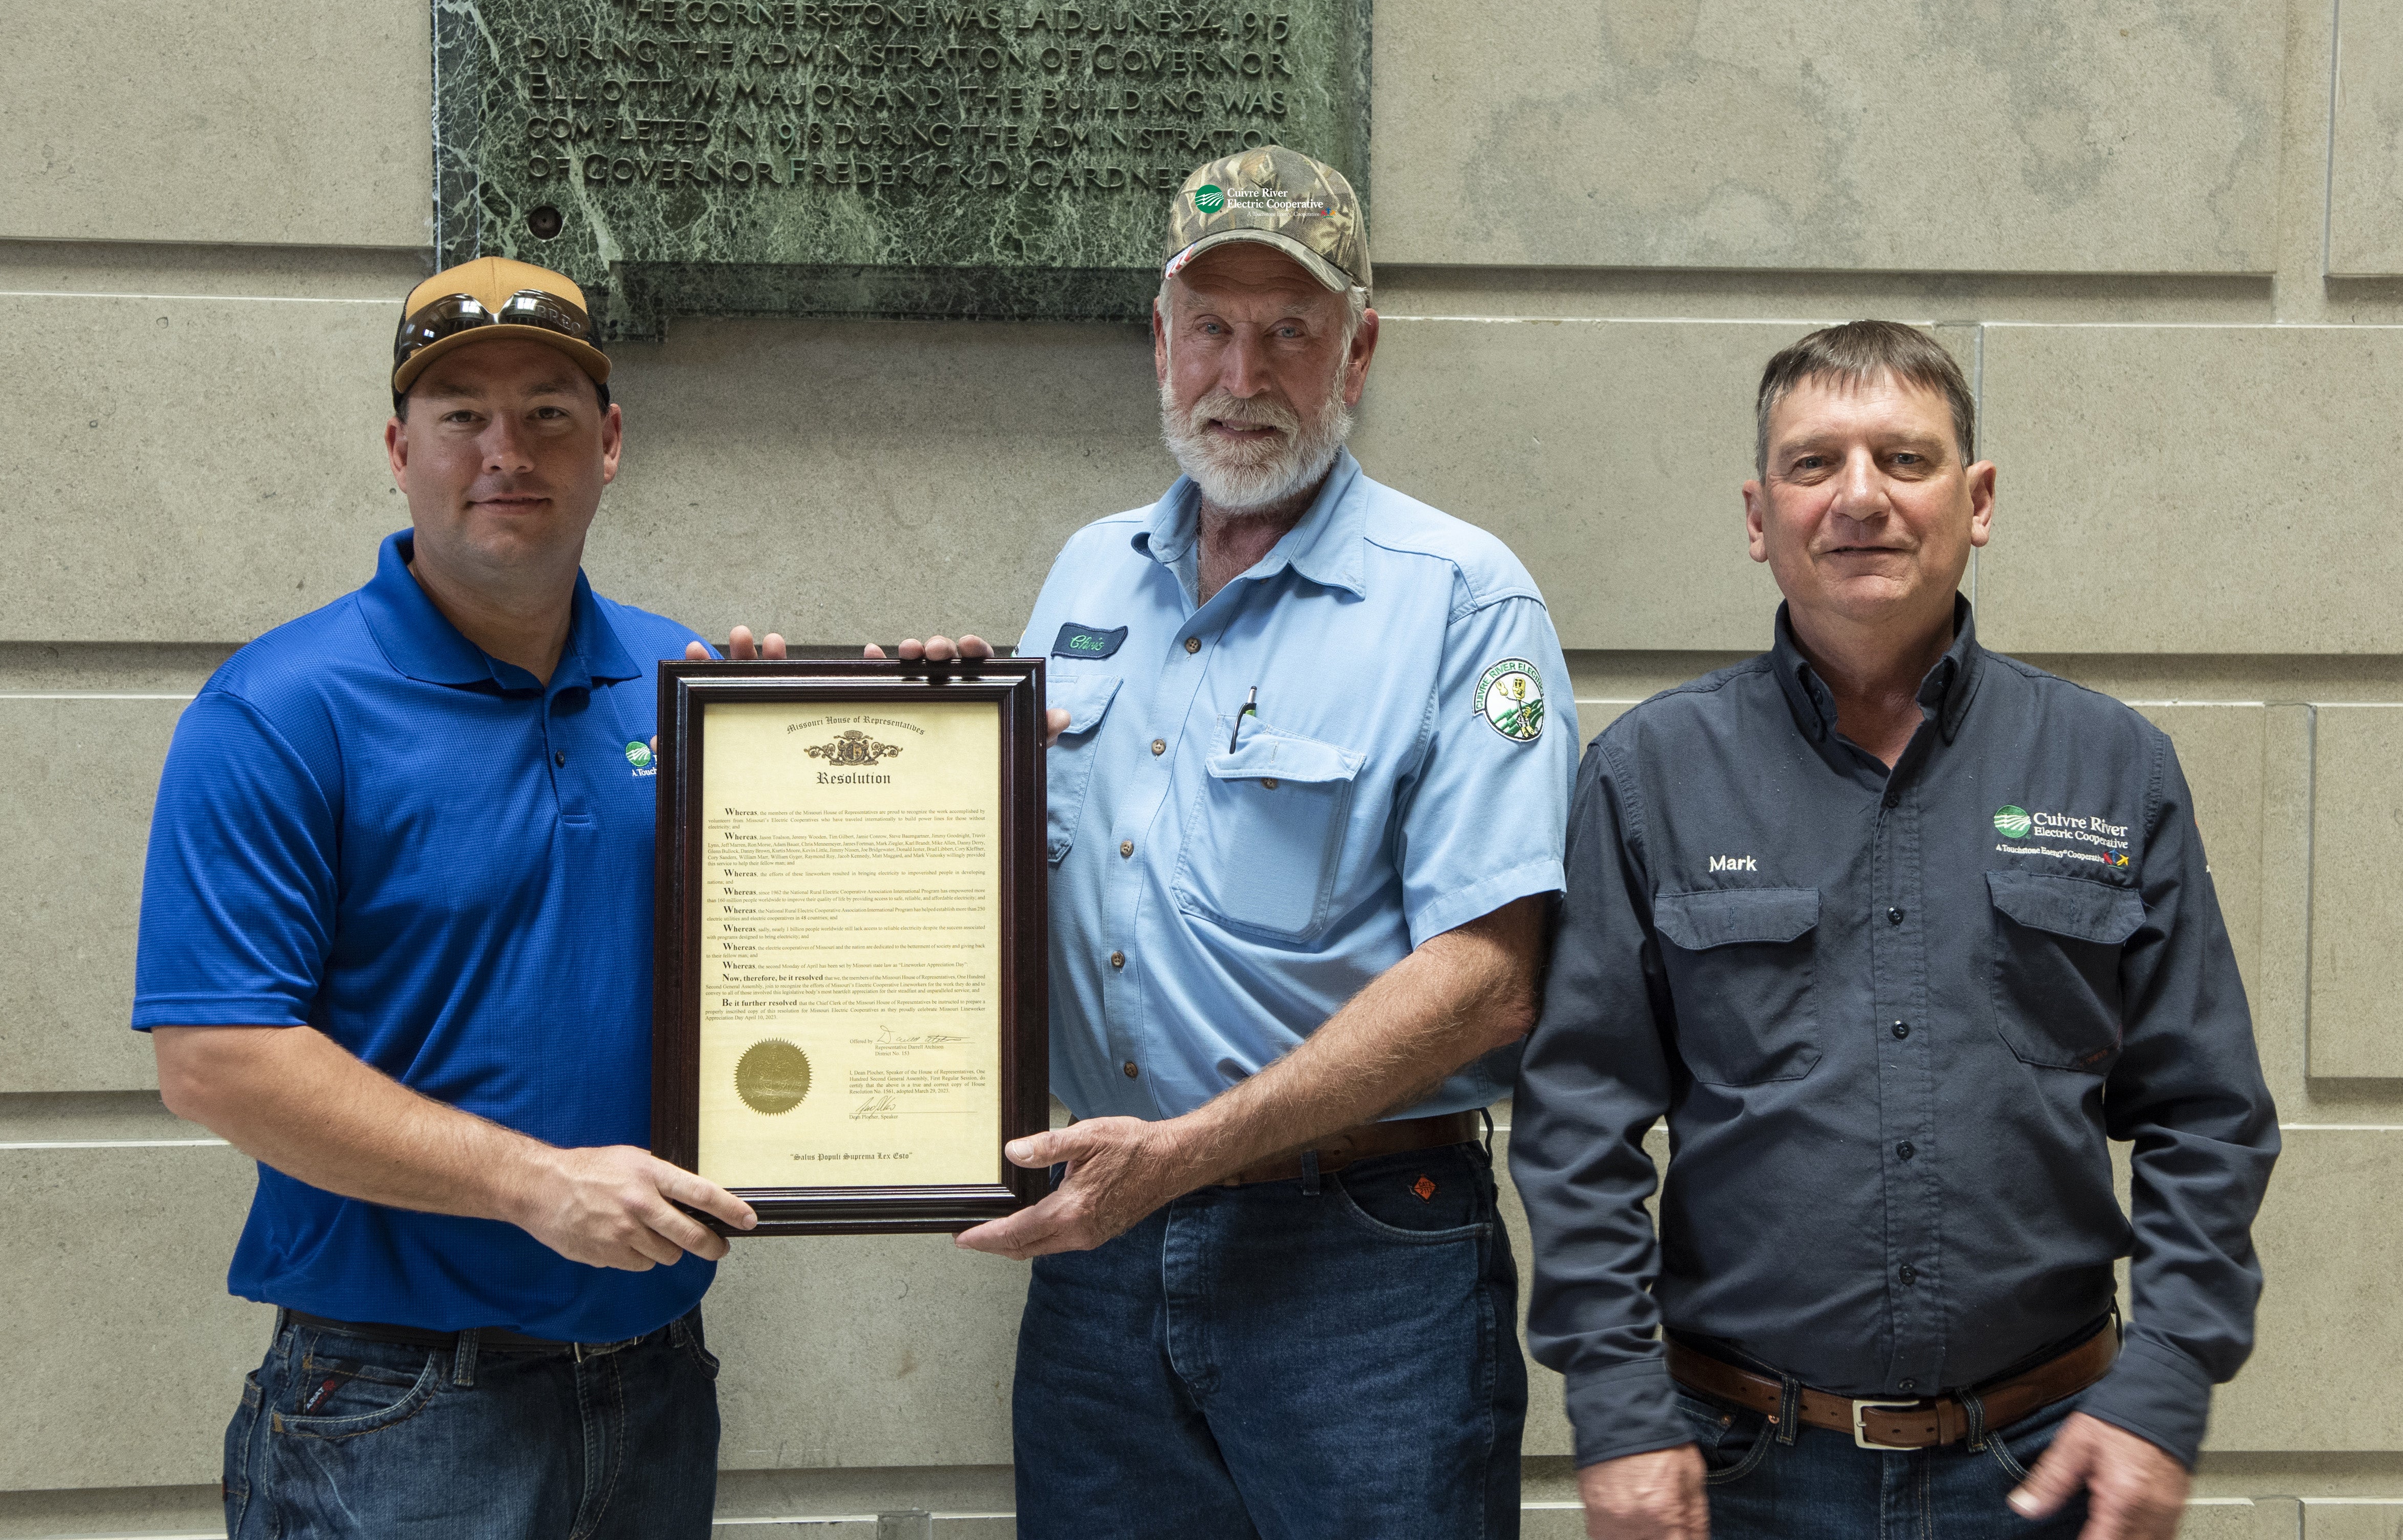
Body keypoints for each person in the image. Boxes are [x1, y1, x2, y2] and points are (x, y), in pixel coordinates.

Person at [132, 256, 979, 1538]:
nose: (504, 451)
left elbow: (824, 937)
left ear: (610, 442)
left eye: (547, 412)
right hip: (397, 1400)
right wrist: (535, 1185)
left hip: (651, 1375)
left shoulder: (676, 678)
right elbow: (216, 1060)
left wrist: (912, 743)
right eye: (460, 413)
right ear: (398, 448)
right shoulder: (282, 710)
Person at [1513, 320, 2279, 1540]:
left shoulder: (2114, 766)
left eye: (1904, 460)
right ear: (1759, 516)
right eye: (1815, 464)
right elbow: (1578, 1124)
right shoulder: (1651, 776)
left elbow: (2207, 1115)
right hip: (1744, 1471)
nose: (1860, 497)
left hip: (2045, 1461)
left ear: (1976, 502)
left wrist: (2167, 1382)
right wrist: (1616, 1406)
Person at [952, 147, 1582, 1539]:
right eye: (1213, 327)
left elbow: (1490, 977)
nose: (1245, 374)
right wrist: (895, 748)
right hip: (1102, 1262)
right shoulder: (1086, 576)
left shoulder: (1464, 602)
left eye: (1292, 332)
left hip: (1359, 1264)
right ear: (1160, 343)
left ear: (1357, 352)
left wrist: (1183, 1155)